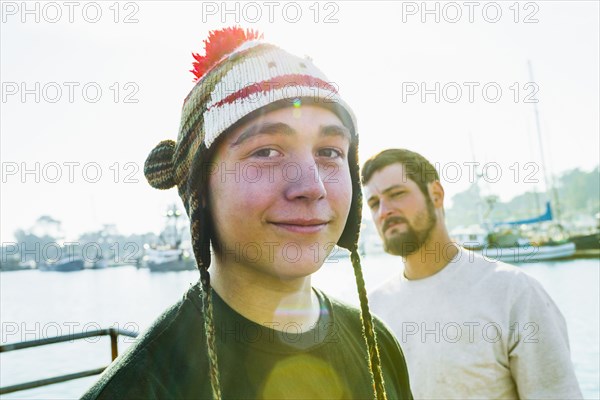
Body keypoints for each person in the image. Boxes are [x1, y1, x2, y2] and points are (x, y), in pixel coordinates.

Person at [82, 28, 412, 399]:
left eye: (330, 152)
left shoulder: (378, 345)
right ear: (200, 189)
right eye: (267, 152)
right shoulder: (138, 390)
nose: (312, 185)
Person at [361, 148, 582, 399]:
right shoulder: (373, 311)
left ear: (436, 194)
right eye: (374, 203)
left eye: (397, 194)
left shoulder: (514, 293)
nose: (384, 211)